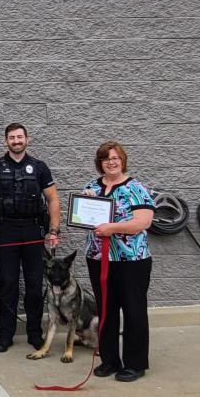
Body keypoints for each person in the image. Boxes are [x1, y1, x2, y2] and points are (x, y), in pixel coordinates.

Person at [0, 123, 61, 353]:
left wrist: (53, 230)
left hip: (33, 230)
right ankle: (5, 335)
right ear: (6, 141)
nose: (16, 141)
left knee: (34, 285)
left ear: (27, 139)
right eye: (12, 137)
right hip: (6, 230)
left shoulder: (39, 167)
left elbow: (53, 199)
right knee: (8, 284)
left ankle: (35, 333)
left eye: (19, 137)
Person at [83, 141, 156, 382]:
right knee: (106, 309)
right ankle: (110, 359)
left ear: (122, 160)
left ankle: (135, 363)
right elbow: (83, 217)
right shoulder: (92, 187)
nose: (111, 162)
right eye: (106, 159)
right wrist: (85, 202)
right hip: (99, 258)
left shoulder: (135, 188)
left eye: (115, 158)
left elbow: (143, 222)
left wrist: (112, 228)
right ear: (100, 163)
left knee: (134, 310)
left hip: (131, 260)